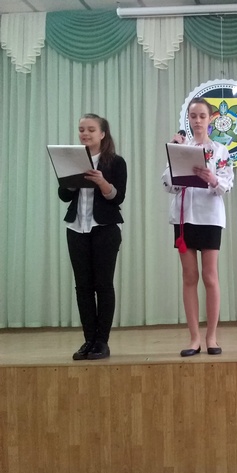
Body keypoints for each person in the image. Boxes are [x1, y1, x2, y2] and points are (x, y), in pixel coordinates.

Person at [162, 97, 234, 357]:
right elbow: (167, 184)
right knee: (189, 276)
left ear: (210, 118)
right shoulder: (180, 148)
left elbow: (226, 185)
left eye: (202, 116)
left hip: (210, 218)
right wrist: (174, 152)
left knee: (210, 276)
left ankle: (211, 336)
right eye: (193, 116)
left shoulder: (220, 150)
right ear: (188, 119)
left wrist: (212, 178)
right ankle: (194, 338)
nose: (197, 120)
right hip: (184, 218)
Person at [58, 113, 127, 360]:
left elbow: (118, 197)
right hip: (77, 227)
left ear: (102, 134)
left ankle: (102, 342)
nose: (85, 134)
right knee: (83, 287)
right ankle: (88, 340)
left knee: (103, 285)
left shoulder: (115, 162)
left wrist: (102, 182)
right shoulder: (71, 160)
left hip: (105, 228)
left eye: (90, 129)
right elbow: (64, 195)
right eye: (81, 130)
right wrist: (72, 182)